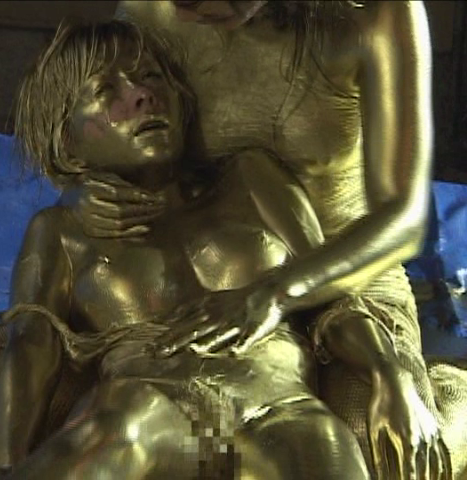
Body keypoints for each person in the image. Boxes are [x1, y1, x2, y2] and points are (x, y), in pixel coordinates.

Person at [0, 19, 378, 480]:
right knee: (118, 425)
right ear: (67, 141)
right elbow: (31, 345)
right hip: (149, 411)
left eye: (150, 77)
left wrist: (389, 373)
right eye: (106, 92)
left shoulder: (251, 180)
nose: (143, 95)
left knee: (327, 447)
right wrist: (7, 465)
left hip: (281, 408)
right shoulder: (63, 231)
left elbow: (333, 297)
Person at [56, 1, 467, 477]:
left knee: (378, 441)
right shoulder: (151, 11)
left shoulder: (377, 14)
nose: (187, 12)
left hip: (346, 272)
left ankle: (453, 404)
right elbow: (98, 128)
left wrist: (277, 291)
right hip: (207, 271)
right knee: (22, 412)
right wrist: (81, 191)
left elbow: (405, 218)